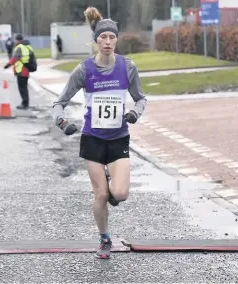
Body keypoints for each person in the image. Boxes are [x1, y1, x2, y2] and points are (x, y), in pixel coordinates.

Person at [52, 7, 147, 259]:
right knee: (101, 195)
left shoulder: (128, 67)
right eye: (103, 38)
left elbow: (140, 99)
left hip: (118, 138)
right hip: (93, 139)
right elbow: (59, 102)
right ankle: (105, 239)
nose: (107, 42)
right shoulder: (84, 70)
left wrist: (135, 114)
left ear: (116, 40)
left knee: (120, 194)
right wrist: (62, 122)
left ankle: (109, 176)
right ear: (96, 41)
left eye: (112, 37)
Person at [4, 34, 34, 109]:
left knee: (22, 88)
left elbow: (15, 58)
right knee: (24, 87)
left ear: (17, 40)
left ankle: (24, 103)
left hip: (21, 70)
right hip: (27, 69)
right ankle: (26, 102)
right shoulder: (28, 46)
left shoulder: (19, 47)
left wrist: (8, 65)